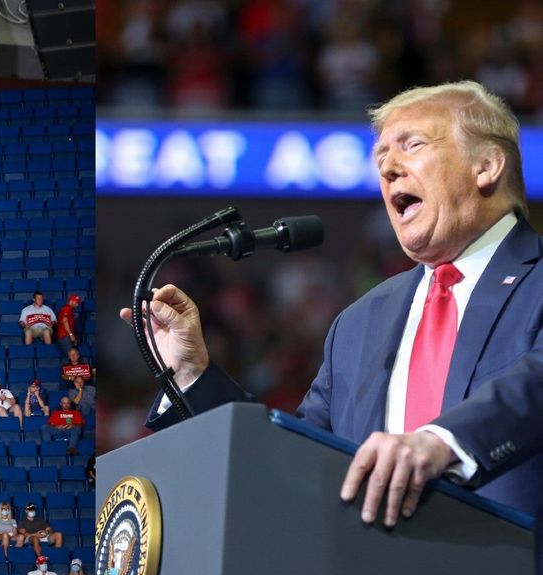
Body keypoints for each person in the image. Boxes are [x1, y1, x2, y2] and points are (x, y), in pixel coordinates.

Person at [133, 81, 543, 528]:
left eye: (412, 145)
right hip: (373, 570)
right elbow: (292, 462)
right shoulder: (359, 323)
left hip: (516, 566)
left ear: (486, 166)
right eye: (380, 158)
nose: (388, 169)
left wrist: (441, 442)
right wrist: (192, 375)